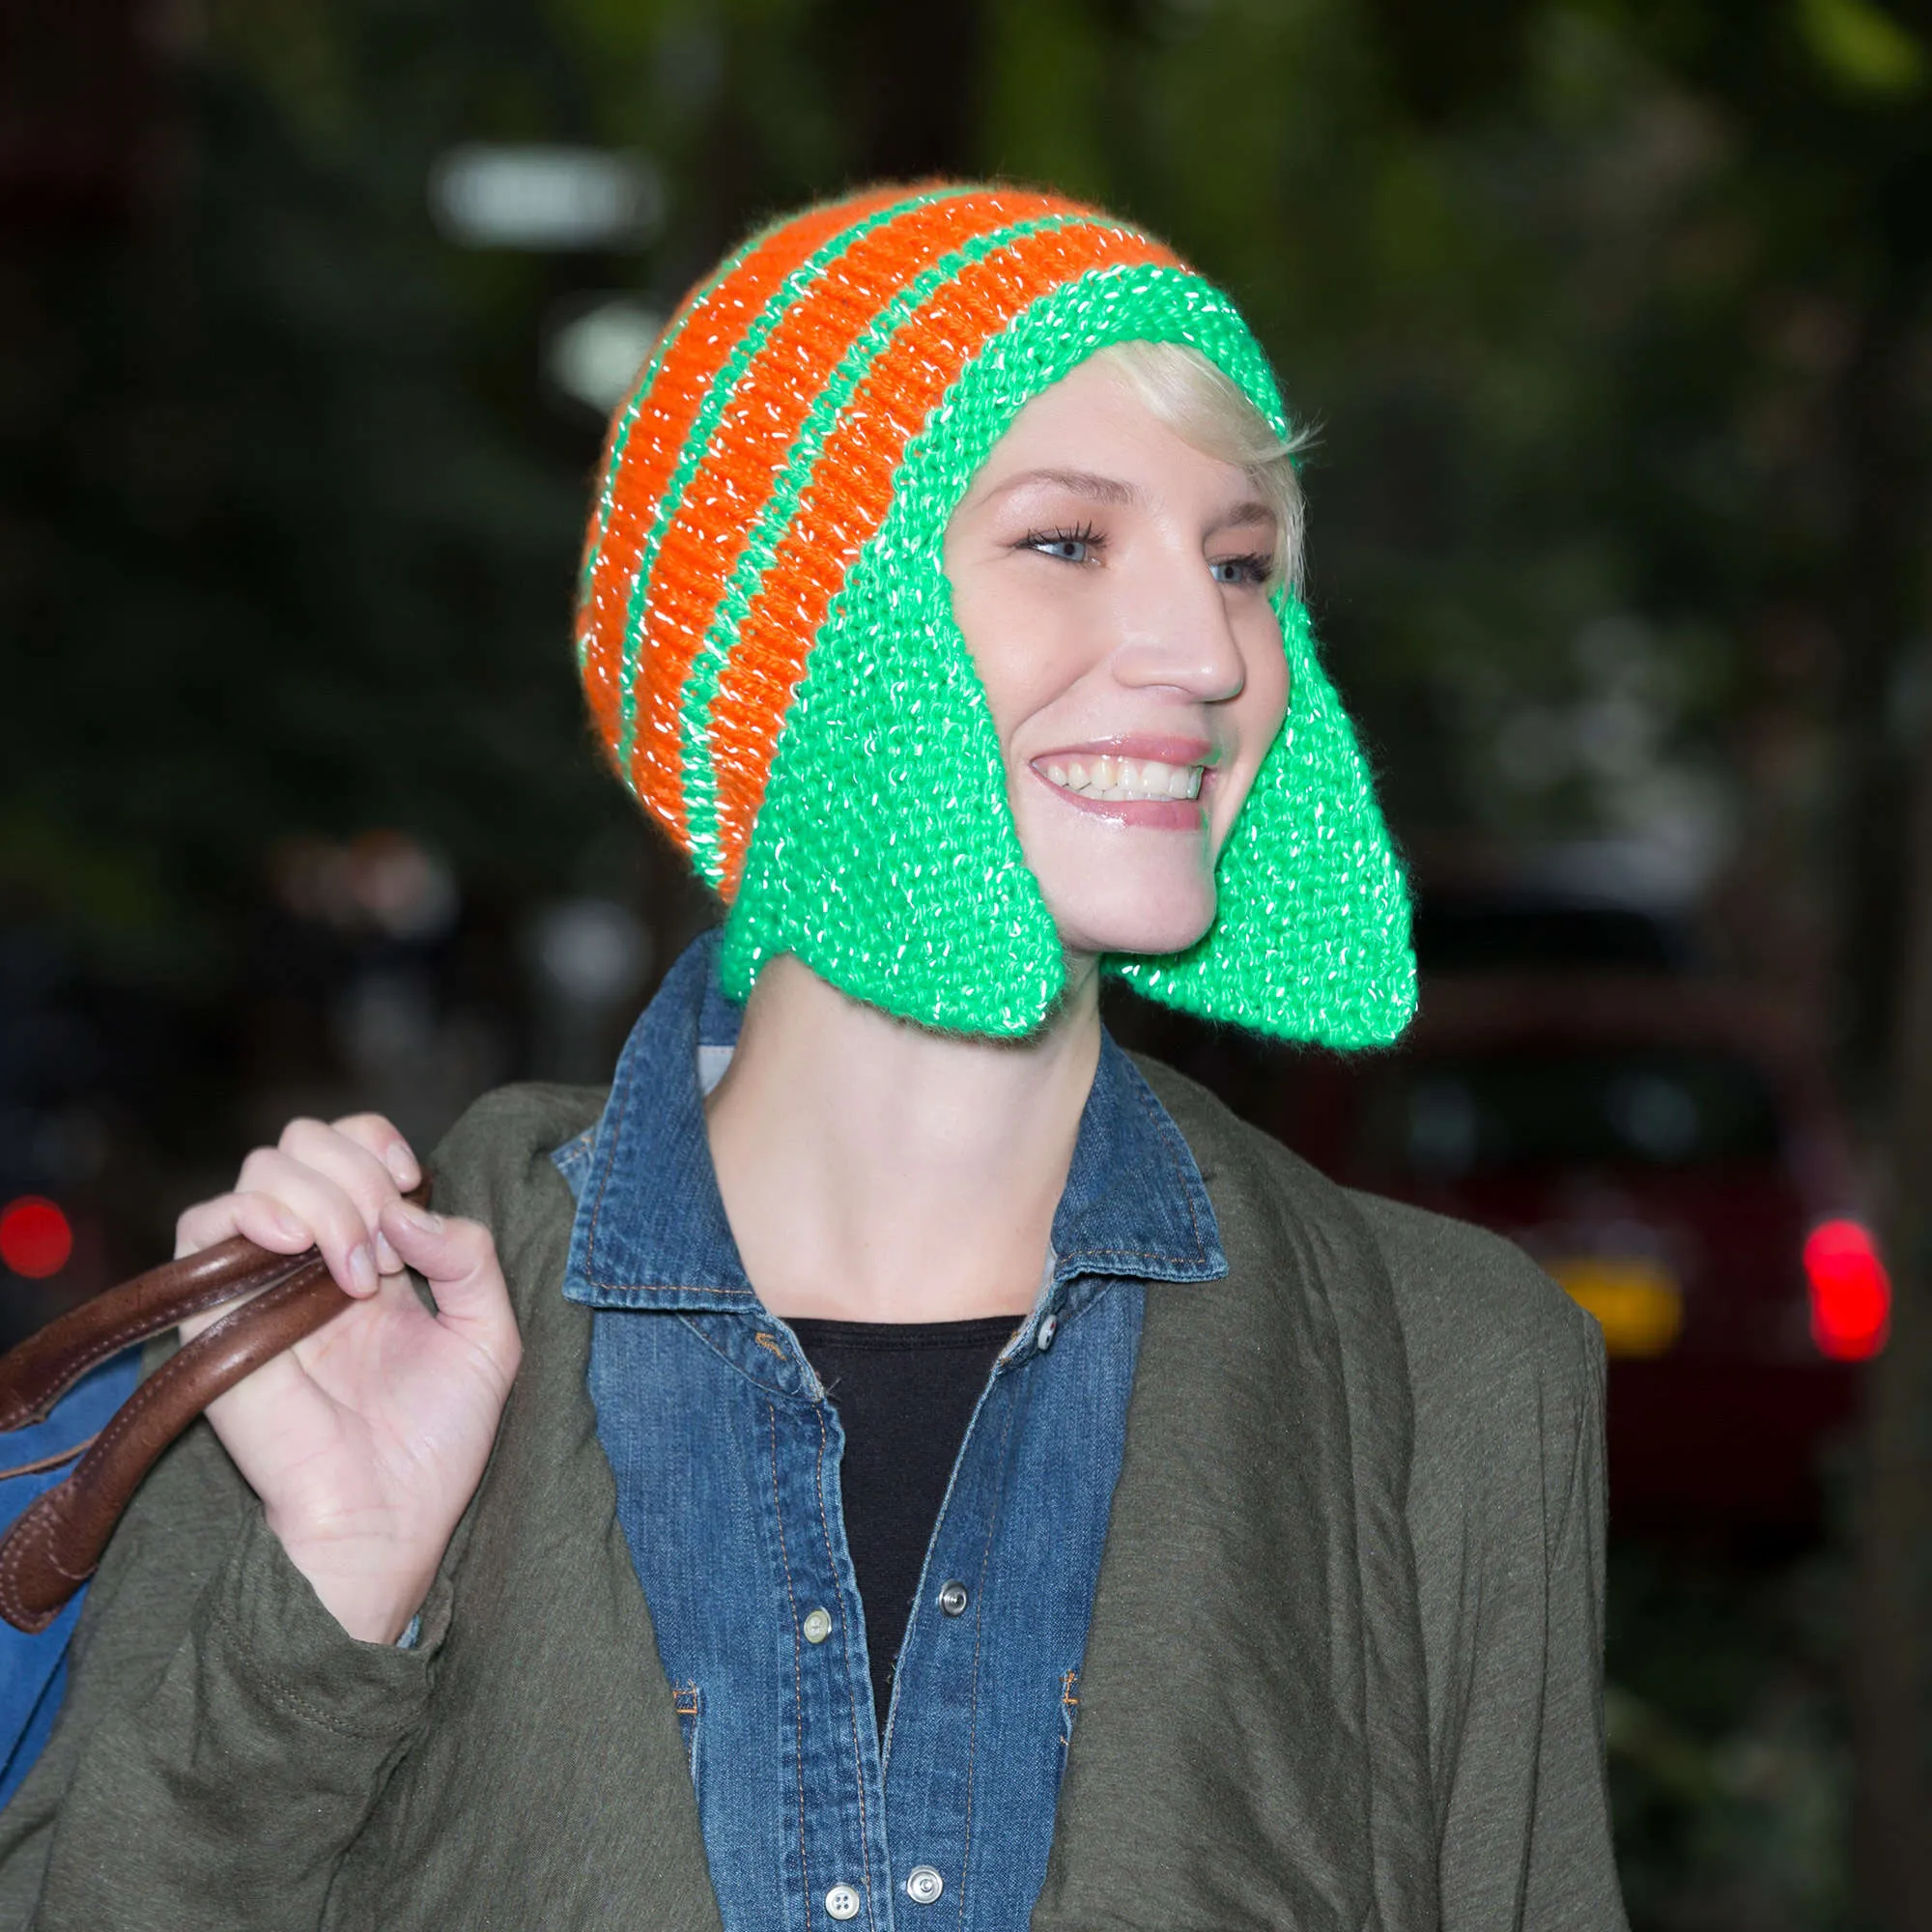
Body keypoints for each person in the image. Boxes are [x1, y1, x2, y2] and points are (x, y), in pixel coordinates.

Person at [0, 184, 1626, 1931]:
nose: (1213, 651)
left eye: (1241, 564)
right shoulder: (338, 1339)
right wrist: (329, 1599)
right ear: (798, 636)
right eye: (1068, 542)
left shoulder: (1455, 1380)